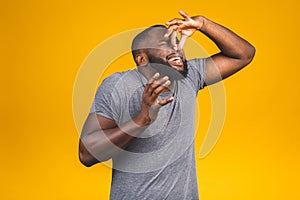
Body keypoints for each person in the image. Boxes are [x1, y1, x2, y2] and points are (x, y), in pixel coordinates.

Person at [78, 10, 255, 199]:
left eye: (176, 42)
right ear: (142, 59)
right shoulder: (118, 86)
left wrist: (203, 24)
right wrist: (140, 121)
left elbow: (243, 55)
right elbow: (86, 154)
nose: (176, 47)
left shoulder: (190, 77)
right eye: (165, 43)